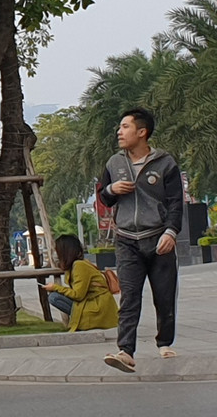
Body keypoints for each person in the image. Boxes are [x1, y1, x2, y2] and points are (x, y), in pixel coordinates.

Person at [98, 108, 183, 373]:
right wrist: (112, 189)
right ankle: (125, 351)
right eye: (120, 127)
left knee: (165, 296)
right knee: (130, 296)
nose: (119, 132)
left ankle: (165, 342)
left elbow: (175, 203)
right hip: (126, 241)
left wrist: (170, 232)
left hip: (158, 239)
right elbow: (104, 197)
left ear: (142, 132)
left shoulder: (165, 163)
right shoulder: (114, 163)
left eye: (125, 127)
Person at [41, 235, 118, 332]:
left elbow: (78, 295)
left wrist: (55, 287)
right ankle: (78, 318)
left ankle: (80, 319)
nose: (55, 254)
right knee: (55, 295)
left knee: (54, 297)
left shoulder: (79, 265)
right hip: (93, 302)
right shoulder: (77, 265)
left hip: (98, 306)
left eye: (57, 251)